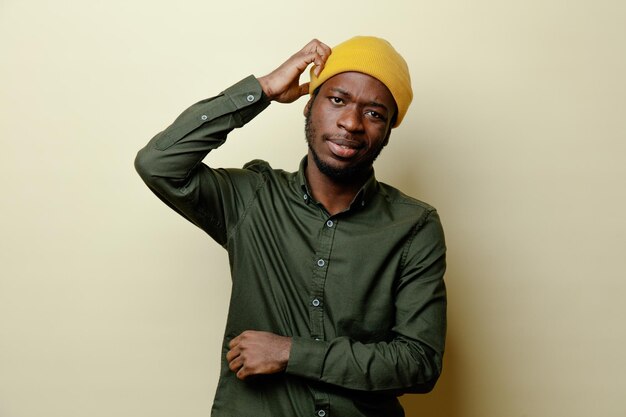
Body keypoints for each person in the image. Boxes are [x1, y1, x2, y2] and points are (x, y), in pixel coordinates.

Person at [135, 36, 447, 417]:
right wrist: (261, 90)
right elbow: (158, 163)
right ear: (308, 105)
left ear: (387, 130)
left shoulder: (414, 225)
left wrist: (290, 353)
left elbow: (419, 363)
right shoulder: (252, 197)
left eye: (374, 113)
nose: (350, 122)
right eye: (337, 99)